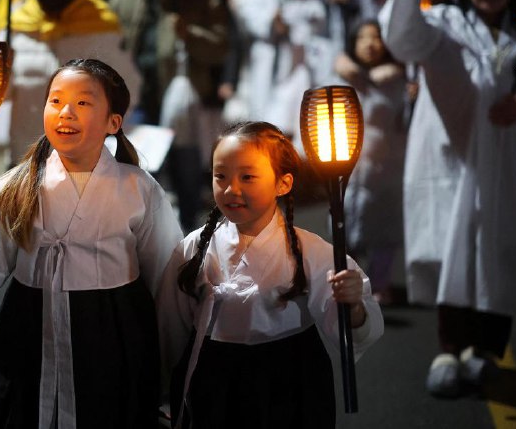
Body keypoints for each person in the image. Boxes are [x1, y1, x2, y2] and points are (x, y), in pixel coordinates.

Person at [0, 59, 183, 429]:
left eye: (83, 102)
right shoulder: (15, 185)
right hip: (29, 331)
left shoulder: (139, 189)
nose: (66, 112)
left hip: (114, 336)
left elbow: (166, 278)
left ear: (113, 122)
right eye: (56, 100)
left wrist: (171, 366)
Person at [379, 0, 516, 398]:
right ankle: (450, 348)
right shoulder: (442, 25)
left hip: (508, 163)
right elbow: (401, 37)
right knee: (452, 249)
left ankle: (486, 352)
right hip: (453, 159)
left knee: (501, 250)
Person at [156, 121, 384, 428]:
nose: (231, 189)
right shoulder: (194, 248)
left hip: (289, 377)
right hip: (212, 376)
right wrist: (165, 384)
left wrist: (353, 305)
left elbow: (351, 327)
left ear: (283, 183)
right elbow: (171, 327)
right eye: (220, 176)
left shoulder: (310, 251)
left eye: (247, 177)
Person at [108, 0, 230, 232]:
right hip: (136, 104)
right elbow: (109, 50)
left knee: (186, 178)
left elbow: (221, 48)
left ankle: (189, 240)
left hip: (180, 106)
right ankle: (141, 239)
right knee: (136, 175)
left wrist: (190, 34)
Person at [0, 0, 141, 168]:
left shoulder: (99, 24)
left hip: (84, 164)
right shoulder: (15, 29)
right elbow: (0, 97)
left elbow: (128, 89)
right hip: (27, 160)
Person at [334, 19, 410, 304]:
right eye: (363, 37)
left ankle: (380, 283)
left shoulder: (399, 80)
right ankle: (349, 281)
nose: (370, 44)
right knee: (345, 224)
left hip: (387, 167)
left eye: (376, 37)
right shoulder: (342, 77)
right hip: (348, 168)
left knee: (385, 228)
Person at [232, 0, 327, 152]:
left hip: (292, 64)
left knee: (288, 114)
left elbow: (316, 26)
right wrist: (270, 22)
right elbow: (248, 17)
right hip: (264, 60)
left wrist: (290, 29)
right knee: (259, 110)